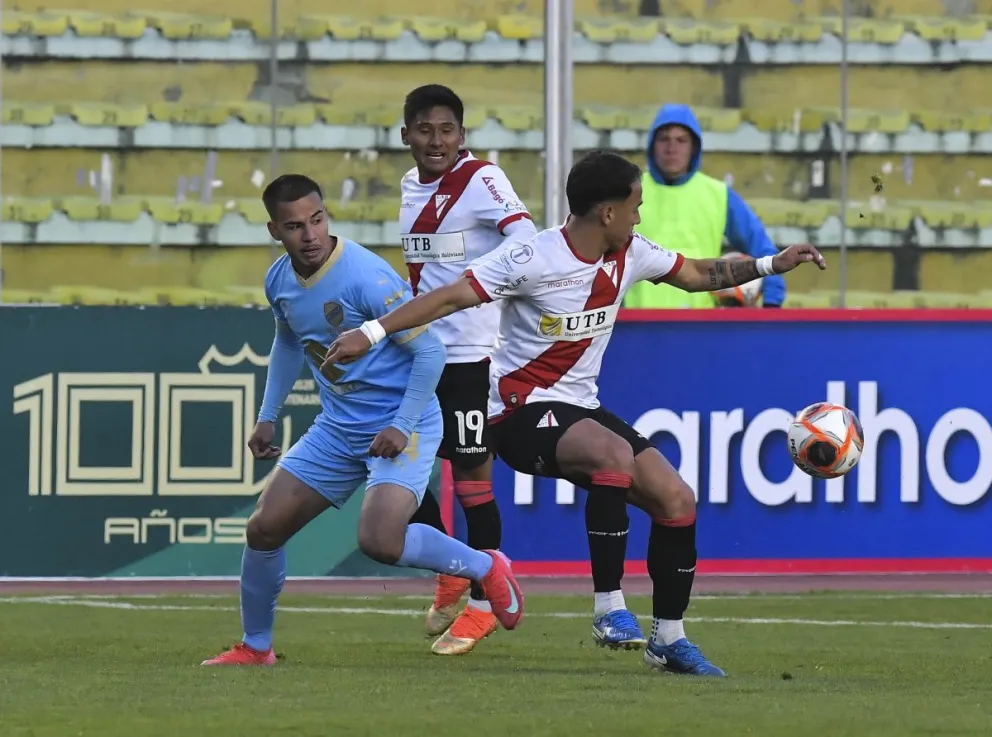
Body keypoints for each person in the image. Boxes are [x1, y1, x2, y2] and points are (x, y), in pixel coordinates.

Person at [323, 151, 826, 677]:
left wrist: (772, 264)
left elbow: (699, 272)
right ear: (606, 212)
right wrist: (373, 331)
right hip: (516, 415)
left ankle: (669, 639)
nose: (639, 215)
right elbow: (449, 297)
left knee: (677, 499)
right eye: (634, 205)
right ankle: (609, 609)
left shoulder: (631, 253)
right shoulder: (530, 257)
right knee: (611, 454)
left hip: (579, 408)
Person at [201, 174, 524, 667]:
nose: (309, 235)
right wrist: (268, 416)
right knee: (264, 529)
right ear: (274, 231)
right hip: (338, 426)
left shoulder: (366, 277)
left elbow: (430, 353)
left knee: (379, 540)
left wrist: (401, 424)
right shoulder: (279, 280)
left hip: (404, 422)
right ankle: (256, 647)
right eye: (294, 227)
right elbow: (290, 340)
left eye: (317, 219)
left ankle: (486, 566)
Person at [398, 84, 539, 656]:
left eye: (447, 130)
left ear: (462, 136)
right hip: (418, 355)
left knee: (473, 481)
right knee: (401, 473)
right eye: (425, 130)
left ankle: (482, 602)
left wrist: (483, 288)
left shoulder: (482, 179)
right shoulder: (411, 186)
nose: (437, 141)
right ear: (405, 134)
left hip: (471, 358)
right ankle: (454, 570)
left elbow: (526, 241)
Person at [623, 103, 787, 309]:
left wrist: (772, 303)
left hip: (700, 326)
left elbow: (762, 248)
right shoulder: (628, 192)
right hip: (637, 323)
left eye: (681, 140)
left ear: (694, 147)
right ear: (652, 145)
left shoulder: (718, 194)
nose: (671, 148)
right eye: (664, 139)